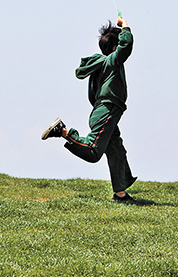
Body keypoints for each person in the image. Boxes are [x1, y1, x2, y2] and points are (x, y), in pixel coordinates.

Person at [41, 16, 138, 204]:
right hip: (107, 110)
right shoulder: (110, 62)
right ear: (113, 49)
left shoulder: (102, 65)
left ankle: (121, 194)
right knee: (93, 152)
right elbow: (125, 47)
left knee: (116, 149)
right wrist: (125, 27)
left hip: (103, 111)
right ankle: (62, 131)